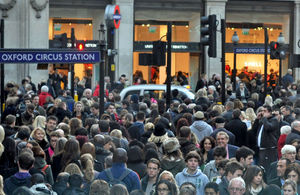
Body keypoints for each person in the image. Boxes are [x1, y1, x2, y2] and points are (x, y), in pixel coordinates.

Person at [254, 105, 280, 171]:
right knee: (261, 169)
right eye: (262, 111)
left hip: (269, 150)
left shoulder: (274, 120)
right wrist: (257, 119)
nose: (263, 113)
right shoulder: (262, 120)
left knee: (268, 169)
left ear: (270, 112)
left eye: (265, 111)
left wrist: (264, 119)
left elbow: (269, 127)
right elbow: (253, 130)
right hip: (261, 149)